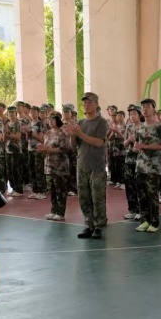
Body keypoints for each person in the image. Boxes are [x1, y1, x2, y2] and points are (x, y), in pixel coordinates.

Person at [64, 92, 109, 239]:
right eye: (84, 102)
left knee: (97, 198)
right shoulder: (81, 123)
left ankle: (98, 226)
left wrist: (80, 134)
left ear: (96, 104)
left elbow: (99, 142)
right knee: (83, 197)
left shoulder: (102, 122)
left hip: (96, 166)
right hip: (82, 164)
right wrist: (72, 135)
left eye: (89, 102)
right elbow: (74, 146)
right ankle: (89, 224)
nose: (86, 105)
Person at [133, 98, 161, 233]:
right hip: (140, 165)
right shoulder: (140, 127)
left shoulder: (159, 126)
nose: (145, 108)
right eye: (143, 106)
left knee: (152, 195)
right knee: (141, 195)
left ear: (154, 108)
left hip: (153, 166)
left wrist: (146, 146)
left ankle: (154, 222)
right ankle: (145, 220)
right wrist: (136, 147)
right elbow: (136, 146)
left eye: (148, 106)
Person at [39, 114, 71, 222]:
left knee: (60, 189)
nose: (50, 122)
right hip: (49, 165)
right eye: (49, 120)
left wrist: (50, 150)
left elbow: (65, 148)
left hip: (60, 166)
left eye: (52, 119)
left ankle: (60, 212)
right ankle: (53, 210)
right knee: (52, 189)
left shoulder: (63, 133)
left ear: (57, 120)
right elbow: (46, 146)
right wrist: (43, 150)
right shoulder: (47, 133)